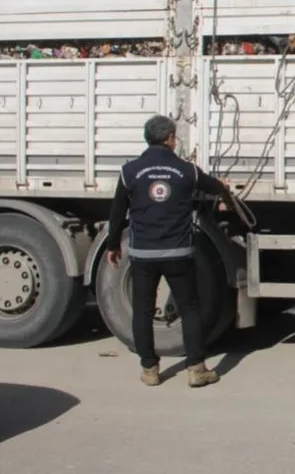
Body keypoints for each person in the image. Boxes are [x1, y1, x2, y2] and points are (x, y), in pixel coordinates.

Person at [105, 115, 233, 388]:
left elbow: (117, 213)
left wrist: (113, 245)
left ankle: (150, 369)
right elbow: (212, 186)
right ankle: (196, 369)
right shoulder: (186, 170)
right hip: (178, 253)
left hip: (143, 255)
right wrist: (223, 187)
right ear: (170, 139)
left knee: (142, 311)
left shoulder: (130, 171)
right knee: (190, 309)